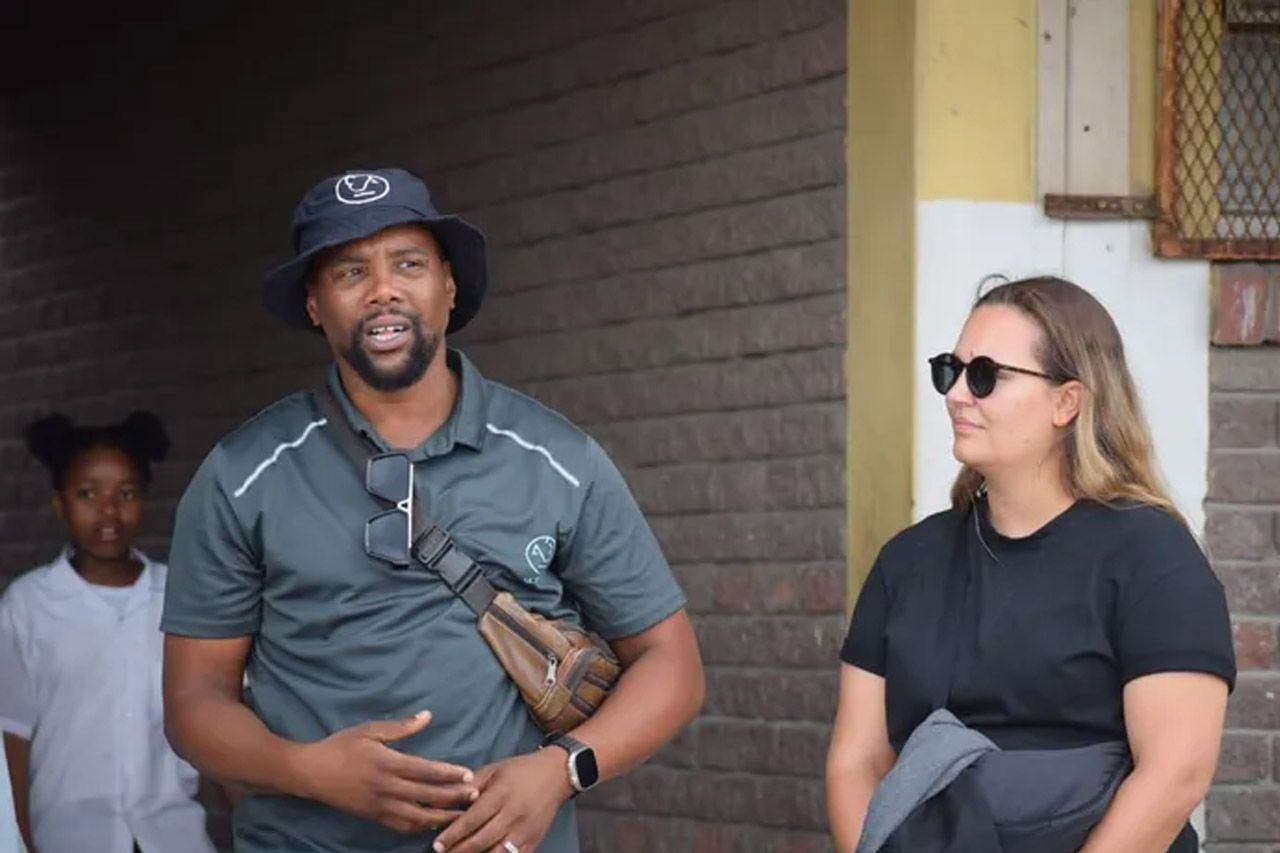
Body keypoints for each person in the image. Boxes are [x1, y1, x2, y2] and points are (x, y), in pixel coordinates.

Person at [160, 167, 705, 853]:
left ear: (449, 286)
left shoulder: (557, 459)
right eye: (350, 272)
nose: (382, 289)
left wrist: (561, 768)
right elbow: (193, 701)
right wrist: (309, 770)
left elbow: (672, 664)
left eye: (409, 263)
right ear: (314, 305)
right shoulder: (243, 475)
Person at [826, 276, 1235, 853]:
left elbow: (1176, 773)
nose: (957, 394)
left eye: (985, 375)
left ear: (1068, 402)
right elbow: (855, 761)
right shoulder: (907, 561)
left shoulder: (1152, 555)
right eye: (951, 370)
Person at [0, 411, 216, 853]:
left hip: (173, 838)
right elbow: (11, 740)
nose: (109, 510)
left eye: (127, 493)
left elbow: (220, 717)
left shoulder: (181, 598)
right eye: (87, 494)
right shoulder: (26, 606)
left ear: (145, 499)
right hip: (68, 840)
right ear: (59, 503)